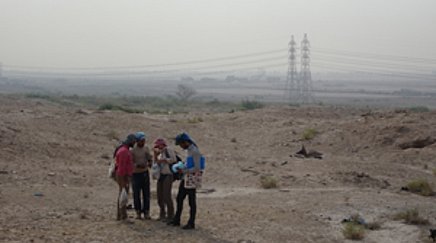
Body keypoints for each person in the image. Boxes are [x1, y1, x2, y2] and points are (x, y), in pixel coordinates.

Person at [168, 132, 204, 230]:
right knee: (179, 198)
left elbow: (197, 168)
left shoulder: (195, 152)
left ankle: (191, 222)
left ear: (185, 142)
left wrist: (184, 170)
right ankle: (177, 219)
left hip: (191, 179)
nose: (181, 146)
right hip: (186, 178)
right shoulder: (189, 150)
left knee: (191, 202)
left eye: (181, 144)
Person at [153, 138, 177, 222]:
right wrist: (155, 155)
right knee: (160, 195)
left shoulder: (168, 150)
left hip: (168, 174)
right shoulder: (159, 153)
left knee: (167, 195)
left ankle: (171, 215)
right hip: (161, 175)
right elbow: (155, 163)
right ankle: (162, 213)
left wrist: (164, 160)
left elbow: (173, 160)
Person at [114, 134, 136, 220]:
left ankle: (121, 215)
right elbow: (121, 167)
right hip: (123, 176)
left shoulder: (125, 150)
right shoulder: (124, 151)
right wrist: (124, 179)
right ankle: (122, 216)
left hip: (124, 175)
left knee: (123, 195)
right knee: (123, 195)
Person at [131, 132, 152, 220]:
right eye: (141, 141)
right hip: (135, 173)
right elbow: (131, 162)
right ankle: (138, 212)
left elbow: (149, 157)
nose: (142, 142)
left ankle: (146, 212)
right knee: (136, 194)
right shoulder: (132, 150)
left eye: (143, 141)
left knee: (146, 193)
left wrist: (150, 162)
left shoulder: (146, 148)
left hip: (145, 172)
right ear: (137, 141)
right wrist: (138, 165)